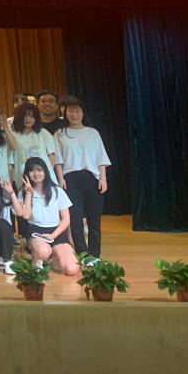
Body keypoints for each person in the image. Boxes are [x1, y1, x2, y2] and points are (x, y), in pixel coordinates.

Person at [54, 96, 110, 260]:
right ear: (65, 113)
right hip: (70, 179)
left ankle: (95, 255)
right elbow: (58, 160)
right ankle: (83, 255)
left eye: (77, 111)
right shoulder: (60, 133)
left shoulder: (93, 133)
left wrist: (103, 178)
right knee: (75, 220)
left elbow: (101, 158)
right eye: (70, 111)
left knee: (94, 220)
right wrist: (60, 179)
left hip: (92, 178)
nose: (74, 114)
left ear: (83, 113)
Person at [19, 157, 81, 276]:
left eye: (39, 170)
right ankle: (37, 257)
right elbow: (26, 216)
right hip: (36, 232)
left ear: (45, 172)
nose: (36, 173)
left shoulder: (57, 191)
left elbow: (66, 219)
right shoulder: (23, 192)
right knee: (43, 252)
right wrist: (29, 193)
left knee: (72, 269)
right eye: (31, 170)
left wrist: (53, 236)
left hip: (56, 231)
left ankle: (52, 256)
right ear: (27, 174)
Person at [10, 102, 62, 187]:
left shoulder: (43, 133)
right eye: (25, 116)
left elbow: (52, 157)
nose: (28, 119)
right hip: (23, 180)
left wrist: (44, 173)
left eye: (32, 116)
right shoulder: (12, 136)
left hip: (45, 179)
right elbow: (11, 164)